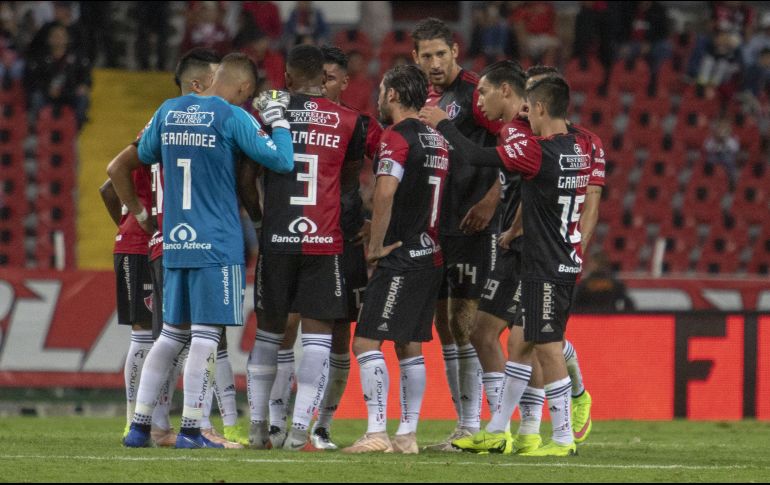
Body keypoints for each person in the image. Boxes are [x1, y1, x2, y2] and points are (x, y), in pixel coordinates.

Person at [116, 52, 294, 449]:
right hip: (217, 241)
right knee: (206, 335)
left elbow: (142, 158)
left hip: (175, 241)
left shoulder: (166, 111)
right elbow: (282, 160)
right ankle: (193, 429)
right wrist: (279, 120)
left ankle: (139, 426)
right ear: (245, 89)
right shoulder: (233, 116)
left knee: (170, 335)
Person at [424, 76, 593, 457]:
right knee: (520, 344)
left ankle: (563, 436)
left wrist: (443, 124)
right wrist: (515, 228)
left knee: (547, 348)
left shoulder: (536, 152)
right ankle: (500, 429)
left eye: (530, 110)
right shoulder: (577, 148)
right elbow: (539, 199)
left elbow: (475, 155)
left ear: (541, 109)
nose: (526, 115)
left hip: (545, 262)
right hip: (556, 257)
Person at [246, 44, 365, 451]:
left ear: (290, 78)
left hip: (277, 239)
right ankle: (300, 432)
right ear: (323, 78)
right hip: (322, 241)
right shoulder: (350, 120)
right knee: (318, 339)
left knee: (269, 336)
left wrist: (262, 218)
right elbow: (349, 182)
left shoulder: (267, 112)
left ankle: (259, 429)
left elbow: (248, 177)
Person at [342, 64, 450, 454]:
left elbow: (386, 191)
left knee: (367, 342)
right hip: (431, 253)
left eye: (382, 89)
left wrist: (376, 242)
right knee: (409, 345)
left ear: (391, 95)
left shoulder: (397, 136)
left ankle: (376, 433)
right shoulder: (437, 140)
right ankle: (407, 435)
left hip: (402, 256)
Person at [411, 17, 502, 451]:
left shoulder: (476, 93)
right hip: (435, 224)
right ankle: (464, 425)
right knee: (445, 326)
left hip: (472, 224)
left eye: (440, 54)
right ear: (415, 58)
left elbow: (516, 147)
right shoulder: (420, 97)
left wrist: (491, 201)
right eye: (425, 55)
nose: (433, 62)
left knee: (466, 323)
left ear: (455, 50)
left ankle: (475, 425)